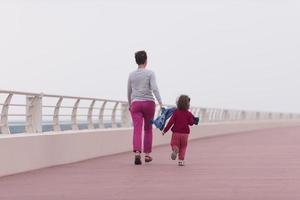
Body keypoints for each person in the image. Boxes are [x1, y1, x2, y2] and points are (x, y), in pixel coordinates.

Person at [127, 50, 163, 165]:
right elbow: (155, 88)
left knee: (137, 129)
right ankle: (147, 155)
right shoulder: (150, 73)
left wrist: (130, 104)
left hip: (135, 104)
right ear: (146, 60)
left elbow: (129, 91)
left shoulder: (131, 75)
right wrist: (161, 103)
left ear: (136, 61)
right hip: (149, 103)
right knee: (148, 129)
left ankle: (137, 153)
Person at [162, 95, 198, 166]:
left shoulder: (176, 113)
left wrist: (165, 130)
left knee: (174, 144)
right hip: (185, 134)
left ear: (178, 103)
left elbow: (170, 122)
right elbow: (191, 123)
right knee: (183, 147)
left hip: (176, 133)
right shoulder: (189, 114)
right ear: (187, 104)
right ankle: (181, 161)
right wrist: (194, 120)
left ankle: (175, 150)